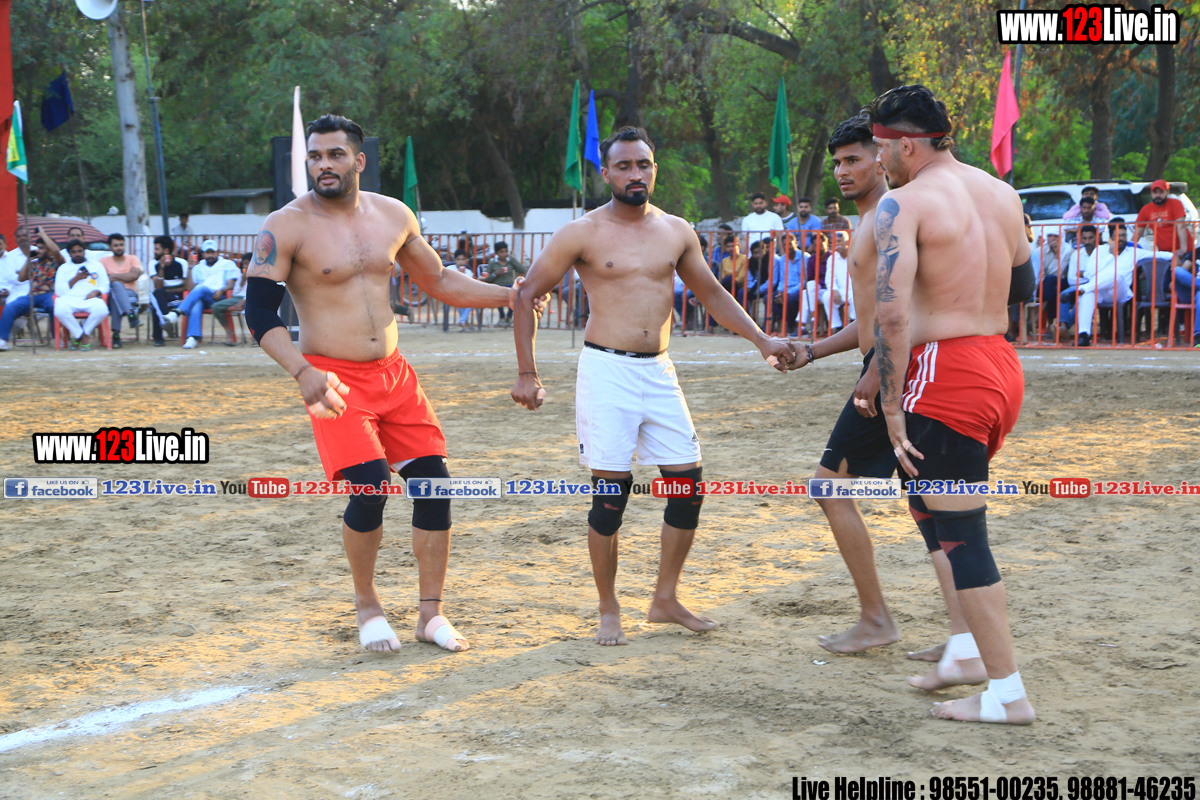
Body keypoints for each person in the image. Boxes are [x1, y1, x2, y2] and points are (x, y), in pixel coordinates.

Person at [244, 113, 533, 654]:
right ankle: (368, 606)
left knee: (434, 487)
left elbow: (439, 280)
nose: (323, 165)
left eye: (335, 155)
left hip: (395, 376)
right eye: (315, 156)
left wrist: (509, 296)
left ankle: (430, 614)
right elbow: (258, 312)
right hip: (333, 378)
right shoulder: (285, 225)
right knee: (371, 487)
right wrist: (302, 371)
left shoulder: (394, 215)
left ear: (358, 160)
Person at [510, 126, 797, 646]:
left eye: (643, 164)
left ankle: (665, 598)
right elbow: (527, 293)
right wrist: (527, 373)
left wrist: (761, 340)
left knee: (688, 487)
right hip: (606, 372)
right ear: (606, 173)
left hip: (659, 371)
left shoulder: (677, 231)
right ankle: (608, 607)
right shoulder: (581, 233)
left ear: (654, 169)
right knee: (610, 498)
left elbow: (712, 293)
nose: (635, 174)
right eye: (624, 166)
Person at [868, 84, 1036, 724]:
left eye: (881, 148)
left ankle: (1007, 694)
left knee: (964, 535)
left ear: (907, 145)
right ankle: (966, 654)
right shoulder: (1001, 193)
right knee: (931, 506)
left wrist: (889, 401)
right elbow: (1024, 281)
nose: (878, 160)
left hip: (949, 370)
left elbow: (891, 315)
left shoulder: (903, 203)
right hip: (998, 361)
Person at [788, 115, 901, 654]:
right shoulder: (873, 219)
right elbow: (869, 318)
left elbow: (900, 312)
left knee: (829, 487)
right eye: (837, 162)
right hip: (890, 365)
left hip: (894, 369)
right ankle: (961, 636)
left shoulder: (887, 217)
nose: (841, 171)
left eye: (853, 159)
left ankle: (878, 619)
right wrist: (813, 351)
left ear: (882, 158)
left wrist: (878, 370)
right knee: (935, 503)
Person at [0, 228, 61, 350]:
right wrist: (28, 259)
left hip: (48, 294)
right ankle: (2, 340)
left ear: (48, 250)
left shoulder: (55, 261)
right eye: (37, 248)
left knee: (54, 306)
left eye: (41, 248)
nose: (38, 250)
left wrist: (42, 233)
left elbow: (55, 250)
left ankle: (57, 338)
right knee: (10, 307)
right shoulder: (33, 262)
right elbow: (21, 278)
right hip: (32, 295)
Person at [54, 239, 110, 350]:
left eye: (80, 251)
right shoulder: (63, 268)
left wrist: (96, 292)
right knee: (59, 310)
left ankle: (82, 334)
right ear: (69, 253)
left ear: (84, 251)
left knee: (102, 310)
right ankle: (81, 335)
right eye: (74, 252)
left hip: (89, 298)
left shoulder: (96, 265)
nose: (77, 254)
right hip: (69, 299)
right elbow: (58, 291)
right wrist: (76, 278)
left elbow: (105, 285)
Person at [100, 233, 143, 348]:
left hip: (130, 295)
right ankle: (130, 314)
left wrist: (113, 276)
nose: (119, 248)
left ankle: (116, 335)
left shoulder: (133, 258)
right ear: (110, 247)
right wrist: (125, 277)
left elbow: (134, 276)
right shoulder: (103, 261)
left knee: (115, 292)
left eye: (121, 245)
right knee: (116, 288)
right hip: (110, 297)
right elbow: (103, 279)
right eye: (116, 245)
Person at [149, 235, 188, 347]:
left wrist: (171, 290)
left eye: (157, 249)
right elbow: (158, 286)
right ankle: (166, 320)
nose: (154, 251)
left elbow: (186, 287)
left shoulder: (181, 263)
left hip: (177, 298)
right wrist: (161, 268)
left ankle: (160, 333)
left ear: (165, 251)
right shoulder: (153, 264)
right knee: (157, 294)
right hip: (162, 296)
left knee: (156, 301)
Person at [480, 240, 527, 325]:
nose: (504, 254)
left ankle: (509, 316)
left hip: (510, 285)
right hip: (498, 285)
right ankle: (502, 317)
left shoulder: (510, 261)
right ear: (496, 253)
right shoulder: (493, 263)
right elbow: (487, 278)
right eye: (501, 252)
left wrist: (512, 258)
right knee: (498, 294)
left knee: (516, 295)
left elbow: (522, 270)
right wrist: (496, 273)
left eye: (506, 251)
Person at [211, 252, 250, 346]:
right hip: (238, 298)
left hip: (251, 299)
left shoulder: (259, 275)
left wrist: (244, 300)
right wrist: (242, 281)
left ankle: (254, 337)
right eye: (244, 264)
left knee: (252, 309)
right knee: (216, 307)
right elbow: (235, 293)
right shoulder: (242, 275)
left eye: (247, 263)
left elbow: (256, 292)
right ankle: (228, 331)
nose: (245, 266)